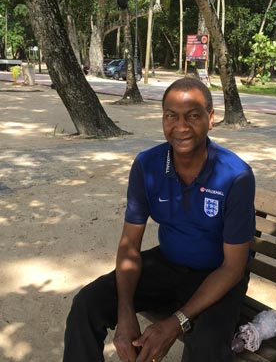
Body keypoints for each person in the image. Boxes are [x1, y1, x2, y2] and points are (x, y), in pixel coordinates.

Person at [63, 77, 256, 362]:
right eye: (171, 116)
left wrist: (174, 323)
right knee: (86, 304)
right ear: (162, 118)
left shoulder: (235, 175)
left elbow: (233, 267)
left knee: (206, 347)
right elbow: (129, 246)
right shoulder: (147, 165)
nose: (181, 126)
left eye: (193, 116)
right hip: (167, 266)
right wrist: (125, 311)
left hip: (218, 275)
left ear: (211, 118)